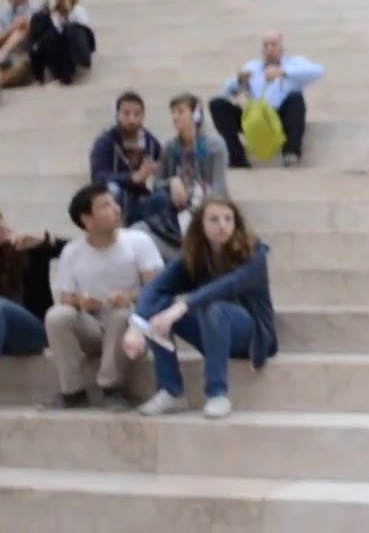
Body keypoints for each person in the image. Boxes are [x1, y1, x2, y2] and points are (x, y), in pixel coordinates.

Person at [124, 197, 276, 419]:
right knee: (158, 307)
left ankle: (217, 393)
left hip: (251, 336)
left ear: (236, 224)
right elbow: (156, 287)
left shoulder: (254, 254)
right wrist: (136, 326)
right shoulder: (195, 256)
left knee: (212, 306)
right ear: (201, 225)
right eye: (214, 219)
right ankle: (171, 390)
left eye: (228, 219)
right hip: (212, 332)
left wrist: (182, 306)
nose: (222, 225)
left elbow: (227, 286)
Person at [45, 184, 164, 410]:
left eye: (114, 203)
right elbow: (64, 297)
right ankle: (72, 390)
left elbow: (157, 289)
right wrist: (81, 301)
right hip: (92, 326)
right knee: (57, 316)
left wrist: (129, 297)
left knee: (120, 315)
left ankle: (111, 387)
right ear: (87, 220)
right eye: (105, 205)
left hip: (132, 327)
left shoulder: (139, 241)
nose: (116, 209)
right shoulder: (72, 251)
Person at [0, 199, 66, 417]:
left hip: (30, 335)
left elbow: (72, 249)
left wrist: (44, 239)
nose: (1, 224)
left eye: (0, 217)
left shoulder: (26, 249)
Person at [134, 94, 230, 261]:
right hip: (175, 203)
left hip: (203, 201)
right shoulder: (170, 147)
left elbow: (219, 185)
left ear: (196, 114)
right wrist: (172, 181)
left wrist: (200, 205)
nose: (175, 117)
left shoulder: (214, 145)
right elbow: (157, 183)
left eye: (181, 111)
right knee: (153, 203)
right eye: (173, 112)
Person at [209, 31, 324, 168]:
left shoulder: (294, 63)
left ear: (281, 47)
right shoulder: (252, 67)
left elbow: (318, 71)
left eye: (273, 45)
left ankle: (291, 152)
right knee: (217, 104)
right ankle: (236, 157)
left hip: (281, 116)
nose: (269, 49)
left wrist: (284, 73)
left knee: (296, 98)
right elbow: (227, 91)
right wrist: (238, 81)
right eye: (266, 45)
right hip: (257, 117)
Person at [90, 91, 164, 225]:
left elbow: (163, 164)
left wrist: (158, 170)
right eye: (126, 113)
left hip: (140, 198)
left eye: (137, 114)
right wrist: (132, 177)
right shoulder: (105, 141)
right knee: (112, 189)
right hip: (115, 199)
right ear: (117, 115)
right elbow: (98, 176)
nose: (132, 119)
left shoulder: (149, 141)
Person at [22, 0, 95, 86]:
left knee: (67, 30)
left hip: (73, 46)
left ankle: (68, 75)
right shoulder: (53, 10)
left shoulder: (78, 10)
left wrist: (64, 15)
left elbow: (82, 34)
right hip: (55, 45)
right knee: (39, 20)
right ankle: (40, 73)